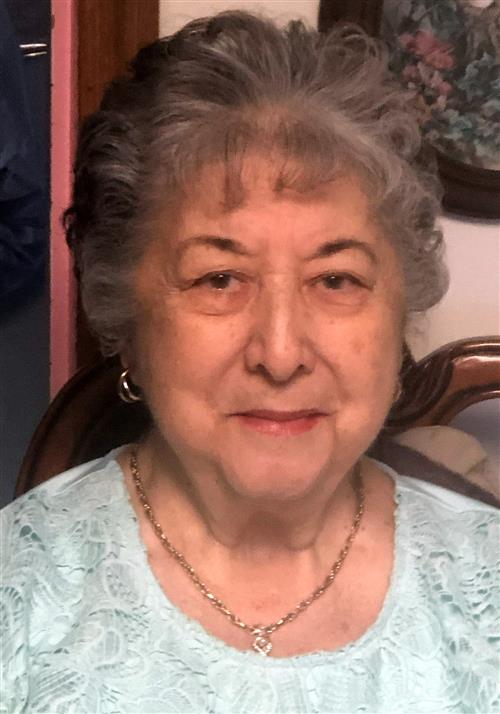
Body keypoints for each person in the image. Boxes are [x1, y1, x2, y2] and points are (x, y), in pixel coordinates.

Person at [1, 11, 498, 713]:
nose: (282, 353)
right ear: (127, 322)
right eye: (219, 279)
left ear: (399, 316)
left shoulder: (484, 587)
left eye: (336, 279)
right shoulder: (20, 596)